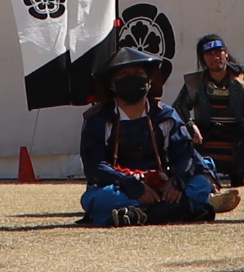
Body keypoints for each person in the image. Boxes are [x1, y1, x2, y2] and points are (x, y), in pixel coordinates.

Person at [78, 57, 211, 228]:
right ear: (112, 84)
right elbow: (94, 165)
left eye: (138, 73)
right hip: (120, 188)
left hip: (161, 186)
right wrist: (131, 185)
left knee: (200, 186)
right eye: (124, 74)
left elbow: (184, 154)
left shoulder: (166, 116)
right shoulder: (98, 120)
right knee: (101, 200)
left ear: (149, 82)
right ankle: (181, 210)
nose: (131, 78)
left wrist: (177, 181)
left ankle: (137, 215)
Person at [171, 35, 244, 203]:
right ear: (203, 59)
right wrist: (190, 126)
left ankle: (238, 175)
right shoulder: (195, 82)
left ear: (226, 53)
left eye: (219, 52)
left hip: (238, 132)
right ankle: (206, 176)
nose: (216, 57)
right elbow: (179, 106)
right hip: (207, 131)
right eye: (210, 54)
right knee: (186, 145)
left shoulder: (243, 79)